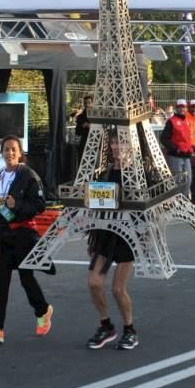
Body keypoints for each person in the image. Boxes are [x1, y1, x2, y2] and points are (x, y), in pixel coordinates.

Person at [0, 135, 54, 344]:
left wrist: (17, 205)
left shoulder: (28, 175)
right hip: (3, 235)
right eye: (6, 149)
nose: (9, 153)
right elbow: (1, 206)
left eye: (13, 149)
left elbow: (40, 205)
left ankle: (43, 310)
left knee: (26, 279)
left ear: (20, 153)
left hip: (22, 235)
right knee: (0, 283)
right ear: (1, 153)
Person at [85, 131, 139, 350]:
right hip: (106, 233)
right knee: (94, 282)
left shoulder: (136, 172)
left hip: (126, 233)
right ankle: (106, 326)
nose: (116, 147)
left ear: (129, 146)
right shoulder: (105, 172)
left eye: (121, 143)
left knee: (118, 289)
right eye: (114, 143)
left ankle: (129, 330)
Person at [160, 99, 194, 197]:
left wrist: (192, 149)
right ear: (176, 108)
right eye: (180, 107)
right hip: (176, 156)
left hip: (186, 155)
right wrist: (175, 149)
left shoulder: (188, 121)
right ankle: (178, 201)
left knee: (188, 180)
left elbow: (189, 138)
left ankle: (184, 201)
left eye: (183, 107)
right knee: (177, 181)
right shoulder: (171, 121)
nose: (182, 109)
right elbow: (163, 138)